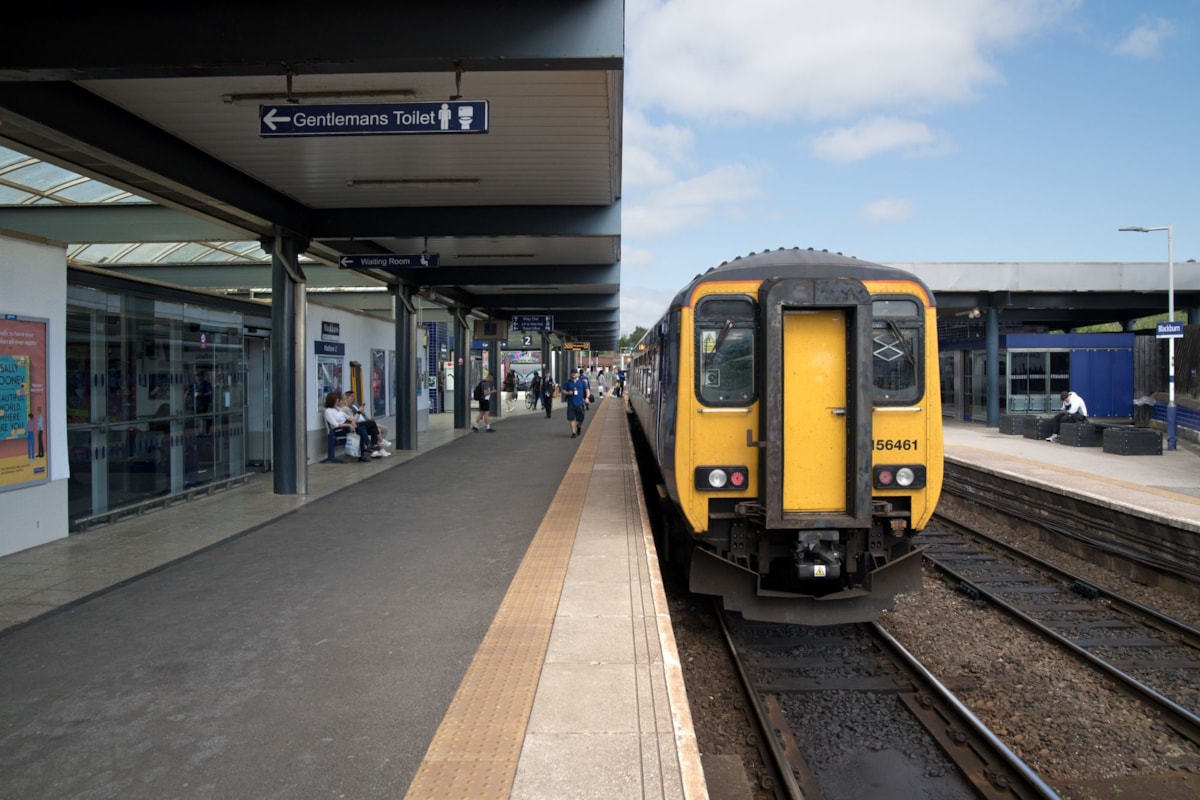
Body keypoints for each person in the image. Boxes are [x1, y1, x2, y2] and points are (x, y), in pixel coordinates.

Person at [324, 391, 372, 462]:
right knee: (360, 428)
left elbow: (349, 418)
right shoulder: (328, 411)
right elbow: (336, 425)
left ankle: (364, 451)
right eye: (337, 400)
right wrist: (349, 425)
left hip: (346, 427)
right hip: (338, 430)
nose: (339, 401)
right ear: (332, 401)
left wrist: (352, 422)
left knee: (360, 428)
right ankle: (367, 445)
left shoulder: (338, 409)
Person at [343, 391, 390, 456]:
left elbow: (364, 415)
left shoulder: (356, 405)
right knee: (377, 429)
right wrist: (359, 412)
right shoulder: (346, 408)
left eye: (354, 396)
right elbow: (353, 420)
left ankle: (379, 449)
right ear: (347, 398)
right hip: (359, 424)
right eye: (352, 396)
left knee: (384, 429)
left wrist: (364, 414)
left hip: (365, 422)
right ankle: (378, 446)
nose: (353, 398)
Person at [562, 367, 587, 438]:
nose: (574, 374)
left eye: (575, 373)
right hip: (571, 403)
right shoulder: (568, 382)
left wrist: (587, 398)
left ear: (578, 374)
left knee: (581, 419)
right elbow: (563, 390)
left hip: (580, 403)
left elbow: (587, 390)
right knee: (571, 418)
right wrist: (567, 392)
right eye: (572, 373)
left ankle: (578, 426)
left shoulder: (582, 382)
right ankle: (573, 432)